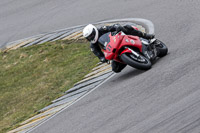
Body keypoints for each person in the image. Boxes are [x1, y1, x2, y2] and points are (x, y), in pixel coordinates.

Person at [82, 24, 154, 73]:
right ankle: (129, 59)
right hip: (113, 50)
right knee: (115, 68)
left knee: (127, 28)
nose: (90, 38)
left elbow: (112, 27)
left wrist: (117, 27)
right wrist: (102, 58)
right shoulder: (93, 45)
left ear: (94, 31)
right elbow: (98, 54)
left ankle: (145, 36)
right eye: (88, 37)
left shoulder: (102, 29)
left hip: (118, 39)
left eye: (91, 35)